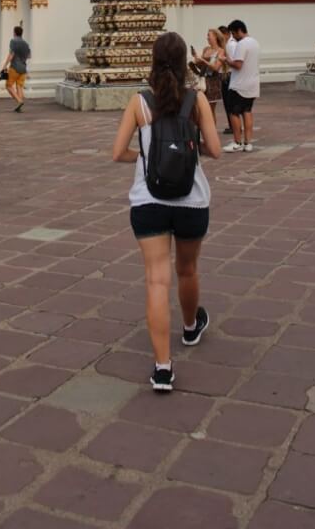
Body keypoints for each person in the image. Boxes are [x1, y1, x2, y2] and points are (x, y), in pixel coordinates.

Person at [112, 31, 221, 392]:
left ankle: (162, 368)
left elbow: (117, 153)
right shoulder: (198, 100)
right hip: (191, 200)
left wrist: (145, 156)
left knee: (156, 280)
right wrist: (189, 148)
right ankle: (190, 328)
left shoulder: (139, 103)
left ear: (154, 61)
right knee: (187, 270)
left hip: (149, 201)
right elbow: (217, 151)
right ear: (182, 62)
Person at [223, 20, 260, 153]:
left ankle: (237, 142)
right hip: (252, 83)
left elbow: (238, 65)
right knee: (247, 111)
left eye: (233, 33)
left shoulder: (242, 44)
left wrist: (225, 60)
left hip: (239, 84)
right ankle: (248, 143)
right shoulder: (255, 42)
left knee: (234, 113)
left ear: (239, 30)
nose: (233, 37)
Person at [191, 28, 226, 120]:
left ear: (215, 37)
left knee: (210, 109)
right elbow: (202, 68)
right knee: (202, 108)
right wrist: (196, 59)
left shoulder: (221, 51)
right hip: (203, 80)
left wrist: (202, 60)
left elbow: (216, 67)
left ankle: (212, 130)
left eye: (209, 35)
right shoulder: (206, 49)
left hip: (213, 81)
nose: (207, 38)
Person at [1, 25, 31, 113]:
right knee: (19, 86)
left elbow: (11, 54)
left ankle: (19, 101)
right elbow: (29, 56)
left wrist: (5, 65)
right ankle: (19, 106)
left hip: (15, 67)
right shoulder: (26, 44)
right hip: (23, 68)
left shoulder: (13, 41)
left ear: (14, 32)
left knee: (8, 85)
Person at [220, 24, 236, 136]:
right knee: (227, 102)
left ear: (226, 34)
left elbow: (233, 61)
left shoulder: (230, 45)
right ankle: (232, 125)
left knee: (229, 102)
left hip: (228, 74)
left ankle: (234, 125)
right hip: (226, 74)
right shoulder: (227, 44)